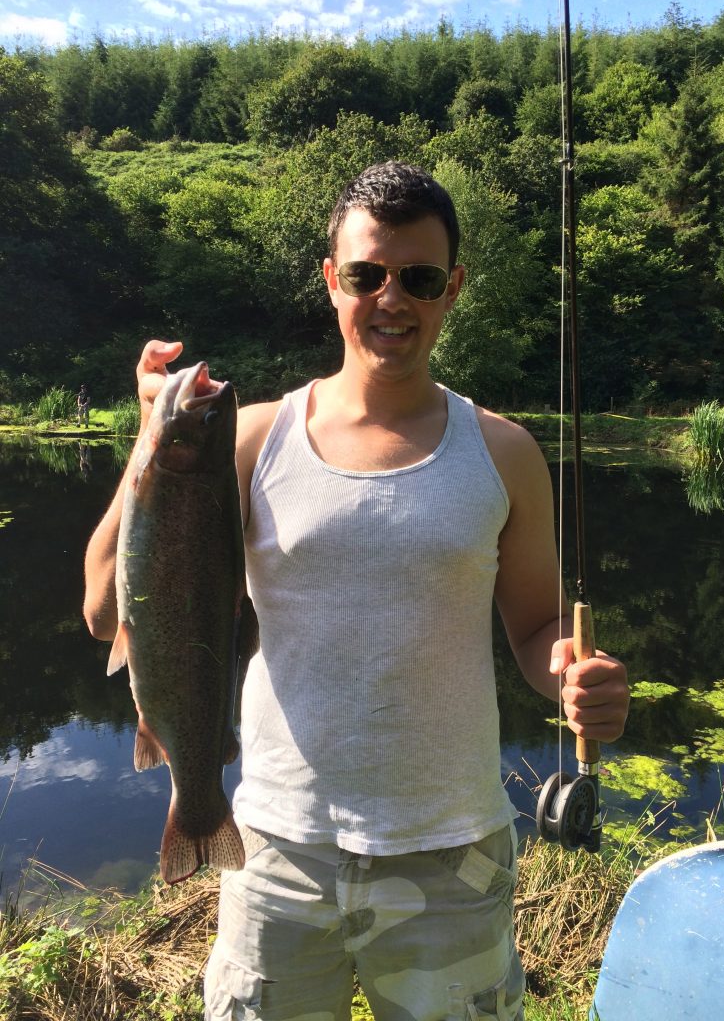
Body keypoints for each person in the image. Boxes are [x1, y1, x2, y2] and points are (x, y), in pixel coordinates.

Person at [83, 162, 629, 1021]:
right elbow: (107, 607)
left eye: (417, 278)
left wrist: (568, 670)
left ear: (452, 289)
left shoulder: (505, 452)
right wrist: (150, 440)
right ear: (332, 279)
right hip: (273, 845)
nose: (391, 299)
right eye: (368, 274)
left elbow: (535, 626)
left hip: (452, 851)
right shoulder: (253, 438)